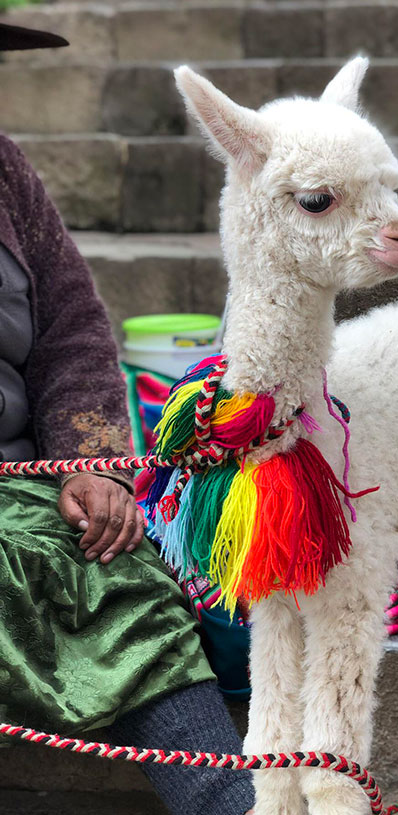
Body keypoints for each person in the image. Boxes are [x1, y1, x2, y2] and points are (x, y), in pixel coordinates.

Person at [0, 20, 254, 815]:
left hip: (26, 478)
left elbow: (72, 329)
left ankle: (228, 804)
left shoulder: (4, 171)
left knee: (117, 564)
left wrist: (91, 462)